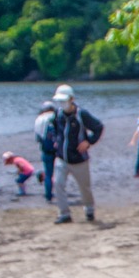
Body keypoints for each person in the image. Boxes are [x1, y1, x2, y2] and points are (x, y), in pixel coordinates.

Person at [51, 85, 103, 224]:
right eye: (59, 101)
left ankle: (89, 209)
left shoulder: (82, 114)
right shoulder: (58, 114)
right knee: (58, 184)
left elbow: (98, 127)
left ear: (72, 99)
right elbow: (54, 129)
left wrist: (89, 142)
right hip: (62, 158)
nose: (62, 104)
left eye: (64, 100)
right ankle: (64, 213)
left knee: (84, 187)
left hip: (79, 159)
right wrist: (56, 141)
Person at [33, 101, 57, 203]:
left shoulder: (39, 119)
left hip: (46, 149)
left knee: (48, 174)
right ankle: (61, 192)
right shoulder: (56, 116)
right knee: (62, 171)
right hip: (58, 149)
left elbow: (37, 138)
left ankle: (48, 196)